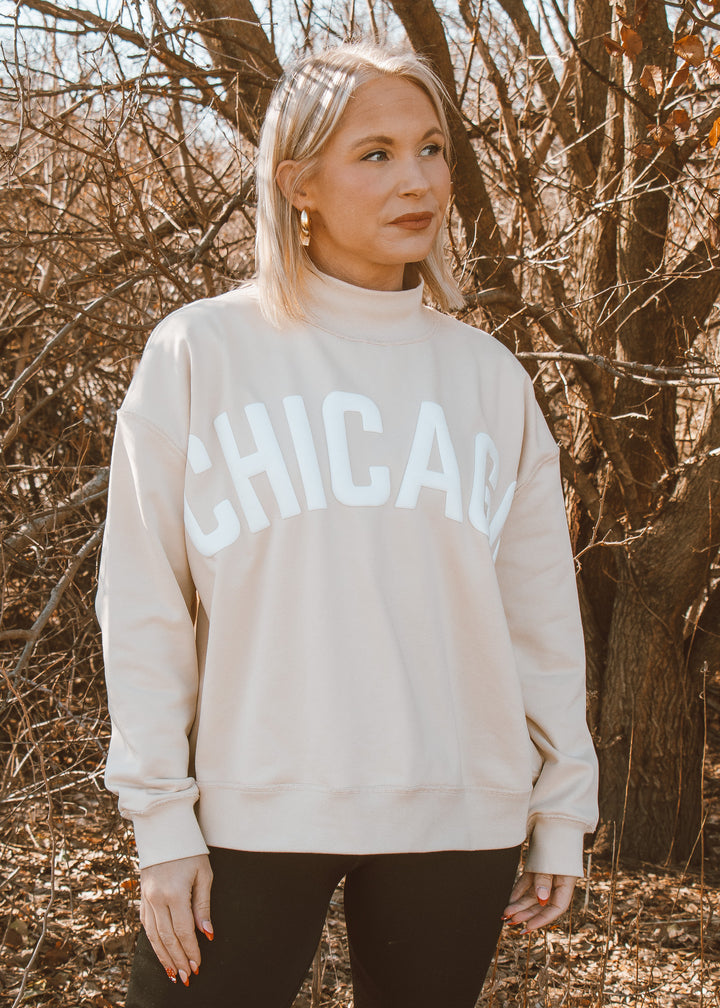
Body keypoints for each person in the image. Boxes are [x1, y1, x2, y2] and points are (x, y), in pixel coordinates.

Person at [96, 41, 598, 1008]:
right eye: (374, 153)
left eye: (431, 148)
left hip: (458, 813)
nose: (416, 180)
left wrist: (563, 802)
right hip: (248, 812)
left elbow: (539, 616)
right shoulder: (202, 351)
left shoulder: (489, 378)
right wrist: (161, 821)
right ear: (299, 184)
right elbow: (144, 601)